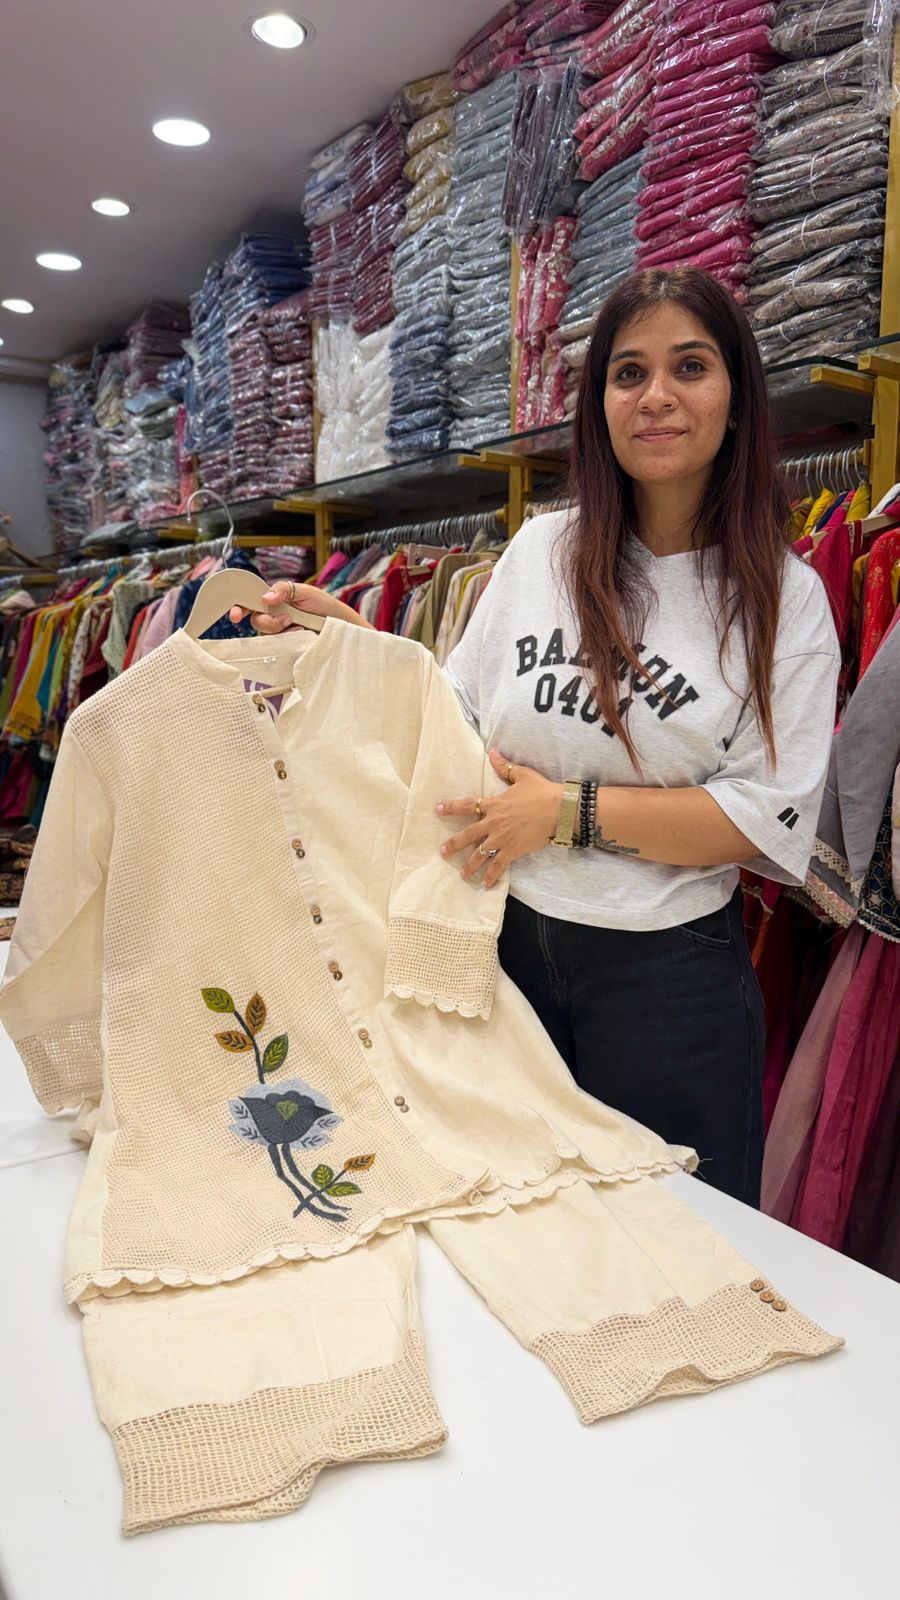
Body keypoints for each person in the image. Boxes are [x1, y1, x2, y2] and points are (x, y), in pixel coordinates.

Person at [233, 268, 840, 1207]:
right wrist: (356, 648)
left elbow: (764, 824)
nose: (657, 397)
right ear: (599, 402)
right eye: (627, 373)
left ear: (737, 394)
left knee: (679, 1238)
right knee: (517, 1213)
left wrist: (566, 812)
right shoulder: (539, 553)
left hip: (667, 982)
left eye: (691, 366)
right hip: (502, 945)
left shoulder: (782, 601)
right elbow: (458, 721)